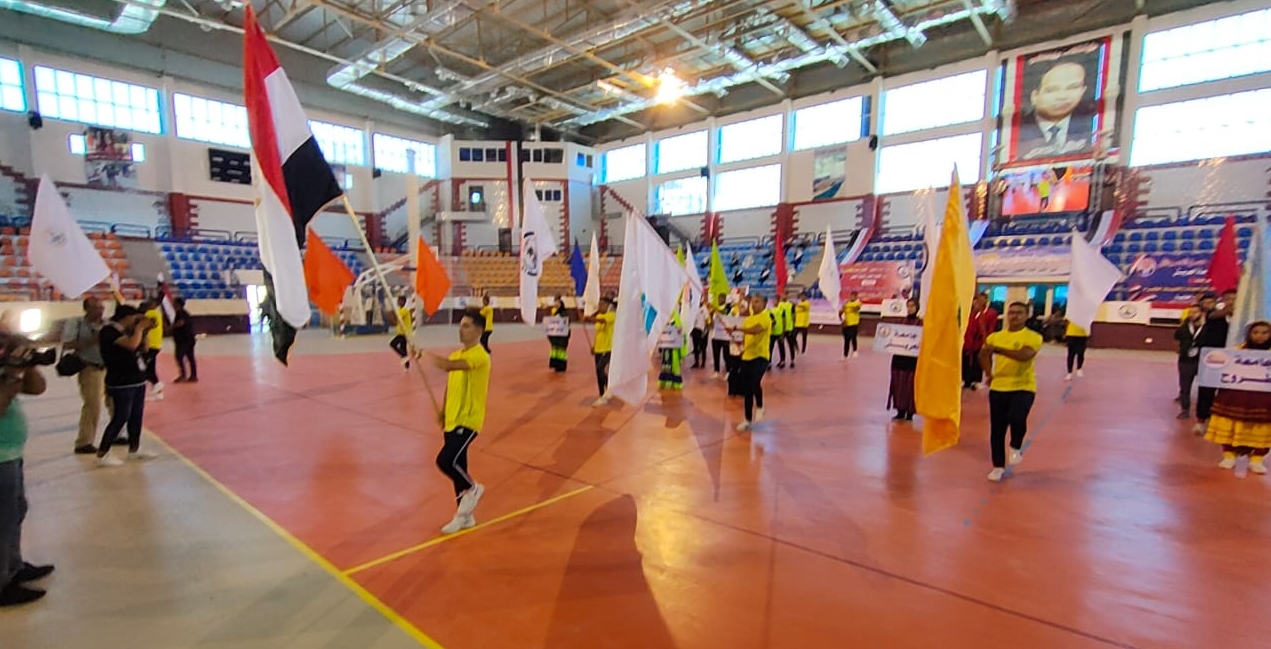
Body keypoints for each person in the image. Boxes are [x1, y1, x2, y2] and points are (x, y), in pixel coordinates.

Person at [422, 309, 491, 533]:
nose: (461, 330)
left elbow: (448, 366)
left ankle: (473, 488)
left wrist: (424, 355)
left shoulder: (480, 356)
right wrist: (443, 411)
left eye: (466, 326)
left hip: (467, 420)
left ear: (479, 330)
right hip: (452, 419)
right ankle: (464, 516)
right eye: (461, 325)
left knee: (445, 460)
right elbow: (451, 384)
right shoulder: (455, 355)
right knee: (459, 465)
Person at [0, 327, 52, 607]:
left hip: (10, 455)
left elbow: (37, 388)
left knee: (15, 513)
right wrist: (10, 372)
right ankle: (2, 585)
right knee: (3, 521)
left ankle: (13, 567)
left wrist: (28, 363)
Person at [980, 302, 1043, 482]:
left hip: (1023, 386)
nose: (1014, 316)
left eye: (1019, 313)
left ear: (1026, 315)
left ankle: (1015, 445)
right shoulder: (995, 337)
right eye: (1011, 312)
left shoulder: (1033, 337)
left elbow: (1024, 356)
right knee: (997, 429)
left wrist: (998, 350)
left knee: (1017, 417)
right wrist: (989, 373)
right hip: (999, 386)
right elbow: (983, 355)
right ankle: (998, 466)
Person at [96, 305, 160, 468]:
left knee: (136, 416)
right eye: (134, 318)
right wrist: (139, 328)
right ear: (126, 317)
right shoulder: (109, 331)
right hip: (120, 381)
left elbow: (143, 348)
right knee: (121, 417)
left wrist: (145, 331)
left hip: (136, 378)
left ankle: (134, 448)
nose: (136, 321)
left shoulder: (130, 331)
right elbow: (131, 345)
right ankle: (103, 452)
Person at [1203, 321, 1271, 474]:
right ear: (1249, 334)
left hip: (1264, 400)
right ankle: (1229, 456)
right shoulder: (1235, 351)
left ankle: (1257, 459)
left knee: (1262, 429)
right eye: (1256, 332)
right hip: (1236, 397)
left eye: (1264, 333)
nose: (1260, 336)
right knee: (1230, 425)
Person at [1016, 61, 1096, 160]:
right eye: (1052, 90)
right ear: (1035, 96)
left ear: (1083, 90)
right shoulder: (1015, 132)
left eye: (1073, 87)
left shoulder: (1093, 126)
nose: (1063, 96)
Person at [62, 297, 106, 453]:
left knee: (115, 403)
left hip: (108, 367)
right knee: (93, 404)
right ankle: (84, 441)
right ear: (86, 309)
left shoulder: (107, 324)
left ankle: (118, 434)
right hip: (89, 367)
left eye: (101, 308)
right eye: (96, 308)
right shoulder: (77, 324)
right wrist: (92, 340)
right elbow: (67, 344)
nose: (100, 311)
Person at [728, 294, 771, 431]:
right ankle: (747, 419)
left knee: (753, 383)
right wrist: (737, 342)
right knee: (747, 389)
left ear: (764, 304)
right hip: (747, 356)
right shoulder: (747, 320)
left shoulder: (765, 317)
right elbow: (745, 337)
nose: (754, 304)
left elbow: (755, 330)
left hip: (760, 357)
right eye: (752, 302)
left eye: (757, 301)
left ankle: (760, 406)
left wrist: (736, 328)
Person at [887, 299, 922, 422]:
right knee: (899, 385)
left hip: (912, 361)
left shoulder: (920, 323)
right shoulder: (901, 322)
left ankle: (910, 412)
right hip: (899, 359)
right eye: (908, 306)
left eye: (913, 306)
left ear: (917, 308)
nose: (910, 308)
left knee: (910, 386)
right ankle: (900, 410)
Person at [962, 292, 998, 390]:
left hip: (980, 341)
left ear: (986, 300)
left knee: (978, 361)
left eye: (982, 299)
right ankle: (966, 380)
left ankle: (977, 380)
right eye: (977, 300)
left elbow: (991, 328)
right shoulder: (972, 313)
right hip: (969, 342)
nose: (979, 302)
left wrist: (986, 340)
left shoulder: (991, 313)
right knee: (966, 361)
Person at [1174, 308, 1204, 420]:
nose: (1192, 314)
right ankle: (1185, 409)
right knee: (1185, 386)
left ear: (1201, 313)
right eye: (1191, 312)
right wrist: (1179, 350)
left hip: (1203, 360)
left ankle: (1204, 411)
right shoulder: (1184, 327)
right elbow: (1176, 339)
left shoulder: (1207, 327)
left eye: (1195, 312)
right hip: (1185, 360)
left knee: (1204, 388)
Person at [587, 298, 615, 406]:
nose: (599, 306)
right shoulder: (599, 315)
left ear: (608, 305)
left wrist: (590, 318)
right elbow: (598, 333)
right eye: (599, 304)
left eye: (602, 304)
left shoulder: (611, 315)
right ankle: (602, 393)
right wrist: (594, 346)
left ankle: (607, 390)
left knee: (600, 368)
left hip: (607, 348)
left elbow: (602, 321)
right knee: (598, 372)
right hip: (598, 349)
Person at [140, 300, 165, 401]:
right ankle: (157, 389)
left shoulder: (150, 313)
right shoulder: (158, 313)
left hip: (150, 345)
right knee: (150, 368)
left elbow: (146, 324)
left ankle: (157, 385)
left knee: (145, 368)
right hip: (156, 344)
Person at [657, 311, 687, 390]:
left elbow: (681, 332)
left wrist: (679, 330)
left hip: (674, 348)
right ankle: (665, 381)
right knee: (666, 365)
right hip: (666, 347)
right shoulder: (664, 319)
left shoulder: (676, 318)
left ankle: (676, 383)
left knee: (674, 365)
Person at [171, 298, 198, 383]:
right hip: (189, 338)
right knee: (190, 357)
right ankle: (193, 375)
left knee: (179, 356)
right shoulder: (185, 312)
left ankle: (183, 375)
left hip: (183, 339)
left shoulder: (180, 313)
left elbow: (181, 322)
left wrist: (171, 327)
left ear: (178, 304)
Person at [389, 295, 414, 371]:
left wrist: (391, 314)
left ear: (404, 302)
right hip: (402, 332)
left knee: (392, 344)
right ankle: (407, 366)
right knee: (403, 348)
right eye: (398, 300)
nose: (398, 302)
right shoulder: (400, 310)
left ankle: (404, 357)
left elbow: (396, 319)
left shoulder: (404, 310)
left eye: (400, 300)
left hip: (404, 333)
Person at [547, 295, 570, 372]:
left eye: (557, 302)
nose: (555, 303)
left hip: (562, 336)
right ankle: (555, 365)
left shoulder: (564, 313)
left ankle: (561, 366)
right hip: (556, 335)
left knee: (561, 350)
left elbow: (566, 323)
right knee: (555, 350)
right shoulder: (555, 312)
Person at [840, 292, 862, 358]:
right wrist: (842, 319)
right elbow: (841, 311)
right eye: (851, 296)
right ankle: (845, 355)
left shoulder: (857, 303)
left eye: (853, 296)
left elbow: (857, 307)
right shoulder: (846, 303)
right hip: (847, 324)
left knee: (853, 336)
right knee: (846, 340)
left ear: (856, 297)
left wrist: (847, 305)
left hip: (854, 323)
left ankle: (855, 350)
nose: (852, 297)